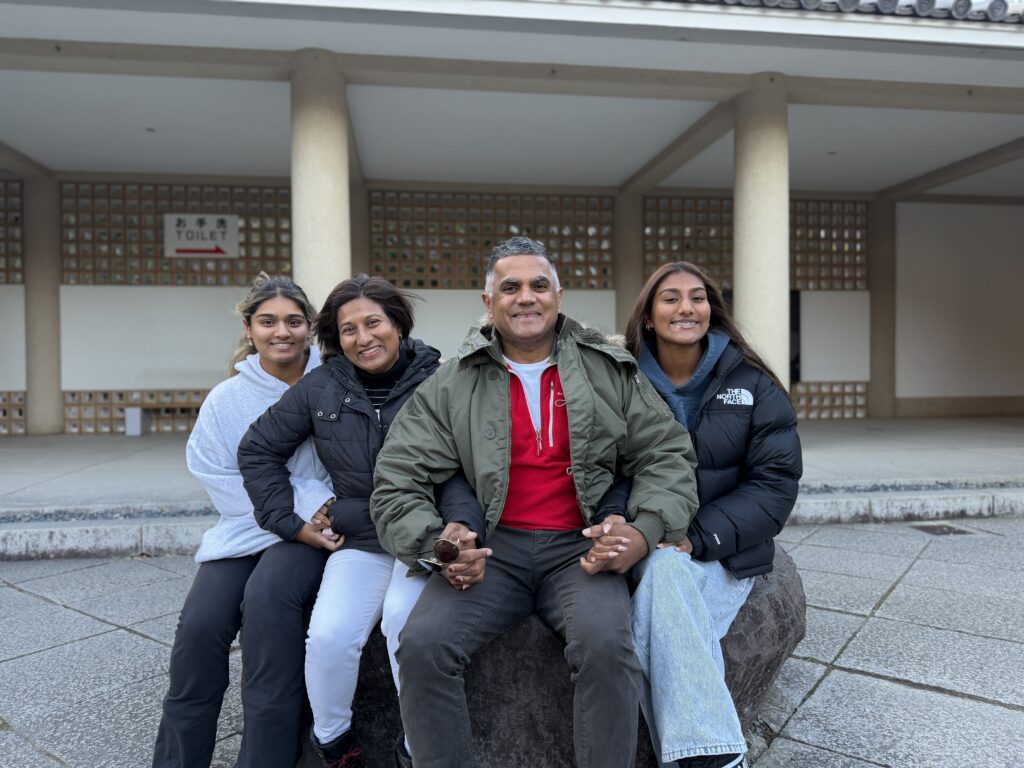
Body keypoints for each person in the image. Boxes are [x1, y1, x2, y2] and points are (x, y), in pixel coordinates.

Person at [370, 236, 701, 768]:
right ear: (488, 303)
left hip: (579, 551)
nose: (526, 297)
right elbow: (397, 477)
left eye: (538, 285)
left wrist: (643, 533)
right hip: (492, 553)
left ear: (558, 296)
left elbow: (666, 455)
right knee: (423, 646)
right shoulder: (453, 382)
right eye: (510, 287)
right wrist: (438, 546)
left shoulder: (607, 369)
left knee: (607, 650)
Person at [237, 275, 484, 768]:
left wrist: (459, 527)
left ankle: (416, 748)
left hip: (424, 537)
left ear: (398, 323)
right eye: (348, 330)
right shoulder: (321, 386)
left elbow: (464, 466)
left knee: (402, 624)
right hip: (363, 538)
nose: (363, 337)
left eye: (374, 322)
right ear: (334, 337)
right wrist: (289, 522)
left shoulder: (442, 378)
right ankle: (335, 745)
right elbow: (258, 449)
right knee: (329, 636)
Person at [584, 261, 802, 768]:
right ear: (649, 314)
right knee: (660, 575)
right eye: (671, 298)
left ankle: (709, 757)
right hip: (642, 539)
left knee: (664, 578)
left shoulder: (753, 383)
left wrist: (696, 538)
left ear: (713, 308)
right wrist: (616, 518)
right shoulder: (621, 380)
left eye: (698, 297)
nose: (686, 307)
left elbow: (775, 484)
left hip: (721, 552)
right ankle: (718, 756)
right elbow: (603, 469)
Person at [153, 273, 337, 768]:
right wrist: (293, 507)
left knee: (268, 623)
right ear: (249, 327)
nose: (282, 332)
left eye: (294, 321)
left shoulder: (336, 384)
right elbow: (215, 472)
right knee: (199, 629)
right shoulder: (227, 398)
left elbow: (353, 461)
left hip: (312, 534)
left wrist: (310, 511)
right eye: (268, 321)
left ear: (310, 327)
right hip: (246, 528)